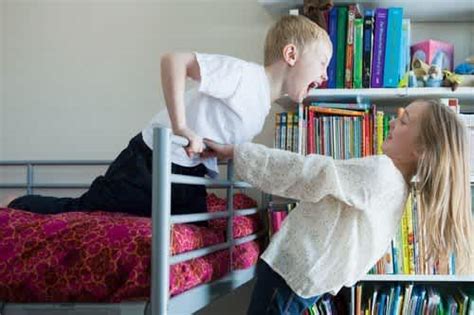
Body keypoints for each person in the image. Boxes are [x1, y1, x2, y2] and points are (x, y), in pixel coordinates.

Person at [8, 15, 332, 217]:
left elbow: (215, 129)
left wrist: (213, 151)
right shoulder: (245, 76)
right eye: (322, 64)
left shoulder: (261, 107)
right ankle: (16, 204)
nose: (324, 76)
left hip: (185, 175)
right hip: (150, 161)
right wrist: (181, 127)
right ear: (291, 54)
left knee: (194, 225)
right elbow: (173, 60)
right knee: (86, 210)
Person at [203, 99, 474, 314]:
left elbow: (308, 173)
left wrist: (237, 153)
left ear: (420, 150)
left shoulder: (381, 173)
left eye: (404, 121)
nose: (392, 122)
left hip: (289, 276)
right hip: (304, 283)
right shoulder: (398, 191)